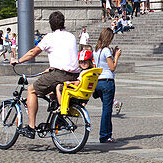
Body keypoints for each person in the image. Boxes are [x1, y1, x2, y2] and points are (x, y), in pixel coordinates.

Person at [11, 10, 79, 139]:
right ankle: (58, 115)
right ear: (63, 23)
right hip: (74, 75)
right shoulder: (71, 36)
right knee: (51, 86)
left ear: (51, 24)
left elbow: (33, 52)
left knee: (31, 90)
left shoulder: (50, 37)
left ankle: (31, 127)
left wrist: (18, 60)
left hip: (60, 74)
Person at [93, 26, 120, 143]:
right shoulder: (106, 50)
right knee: (107, 110)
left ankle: (107, 134)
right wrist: (117, 56)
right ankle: (105, 135)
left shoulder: (96, 50)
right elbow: (112, 67)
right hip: (107, 82)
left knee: (106, 108)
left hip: (98, 81)